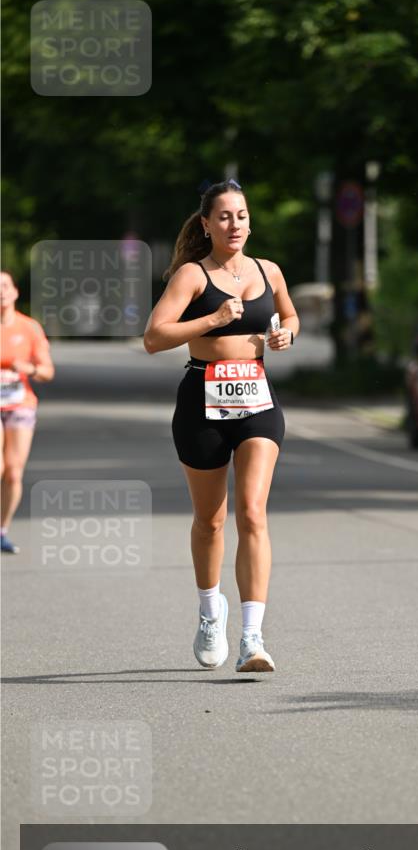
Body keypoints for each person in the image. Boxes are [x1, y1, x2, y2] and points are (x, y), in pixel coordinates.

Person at [144, 180, 299, 673]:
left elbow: (289, 314)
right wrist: (212, 319)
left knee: (253, 514)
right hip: (202, 399)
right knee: (210, 520)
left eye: (243, 215)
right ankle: (211, 612)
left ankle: (252, 638)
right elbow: (154, 337)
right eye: (226, 217)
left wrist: (285, 334)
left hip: (256, 397)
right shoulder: (192, 275)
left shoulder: (267, 270)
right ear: (207, 224)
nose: (236, 225)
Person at [0, 271, 55, 554]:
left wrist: (29, 368)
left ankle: (2, 530)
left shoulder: (29, 328)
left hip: (20, 403)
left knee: (12, 473)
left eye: (5, 286)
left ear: (15, 292)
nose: (1, 292)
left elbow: (47, 371)